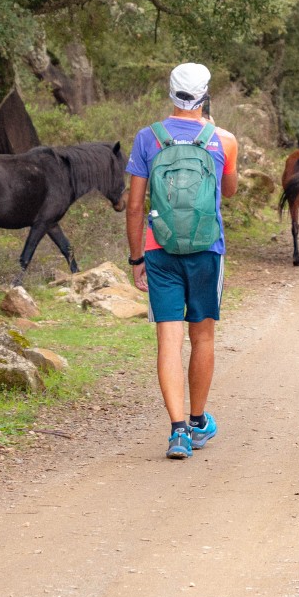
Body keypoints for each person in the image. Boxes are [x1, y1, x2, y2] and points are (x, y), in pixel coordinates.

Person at [126, 63, 239, 459]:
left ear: (170, 92)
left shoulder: (147, 138)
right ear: (206, 94)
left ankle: (177, 433)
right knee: (203, 336)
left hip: (161, 250)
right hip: (208, 250)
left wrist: (136, 257)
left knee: (168, 342)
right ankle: (196, 420)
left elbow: (135, 206)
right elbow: (230, 190)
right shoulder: (223, 140)